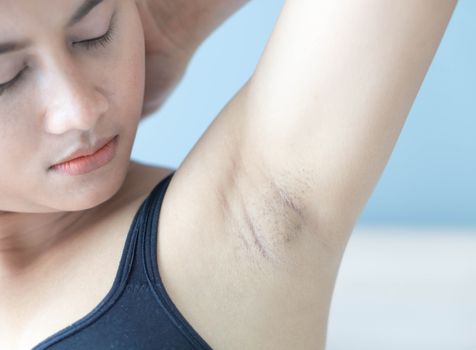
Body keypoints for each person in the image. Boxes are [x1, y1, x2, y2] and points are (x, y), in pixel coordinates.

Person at [0, 0, 458, 349]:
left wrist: (170, 18)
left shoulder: (254, 218)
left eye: (94, 31)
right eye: (6, 76)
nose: (80, 109)